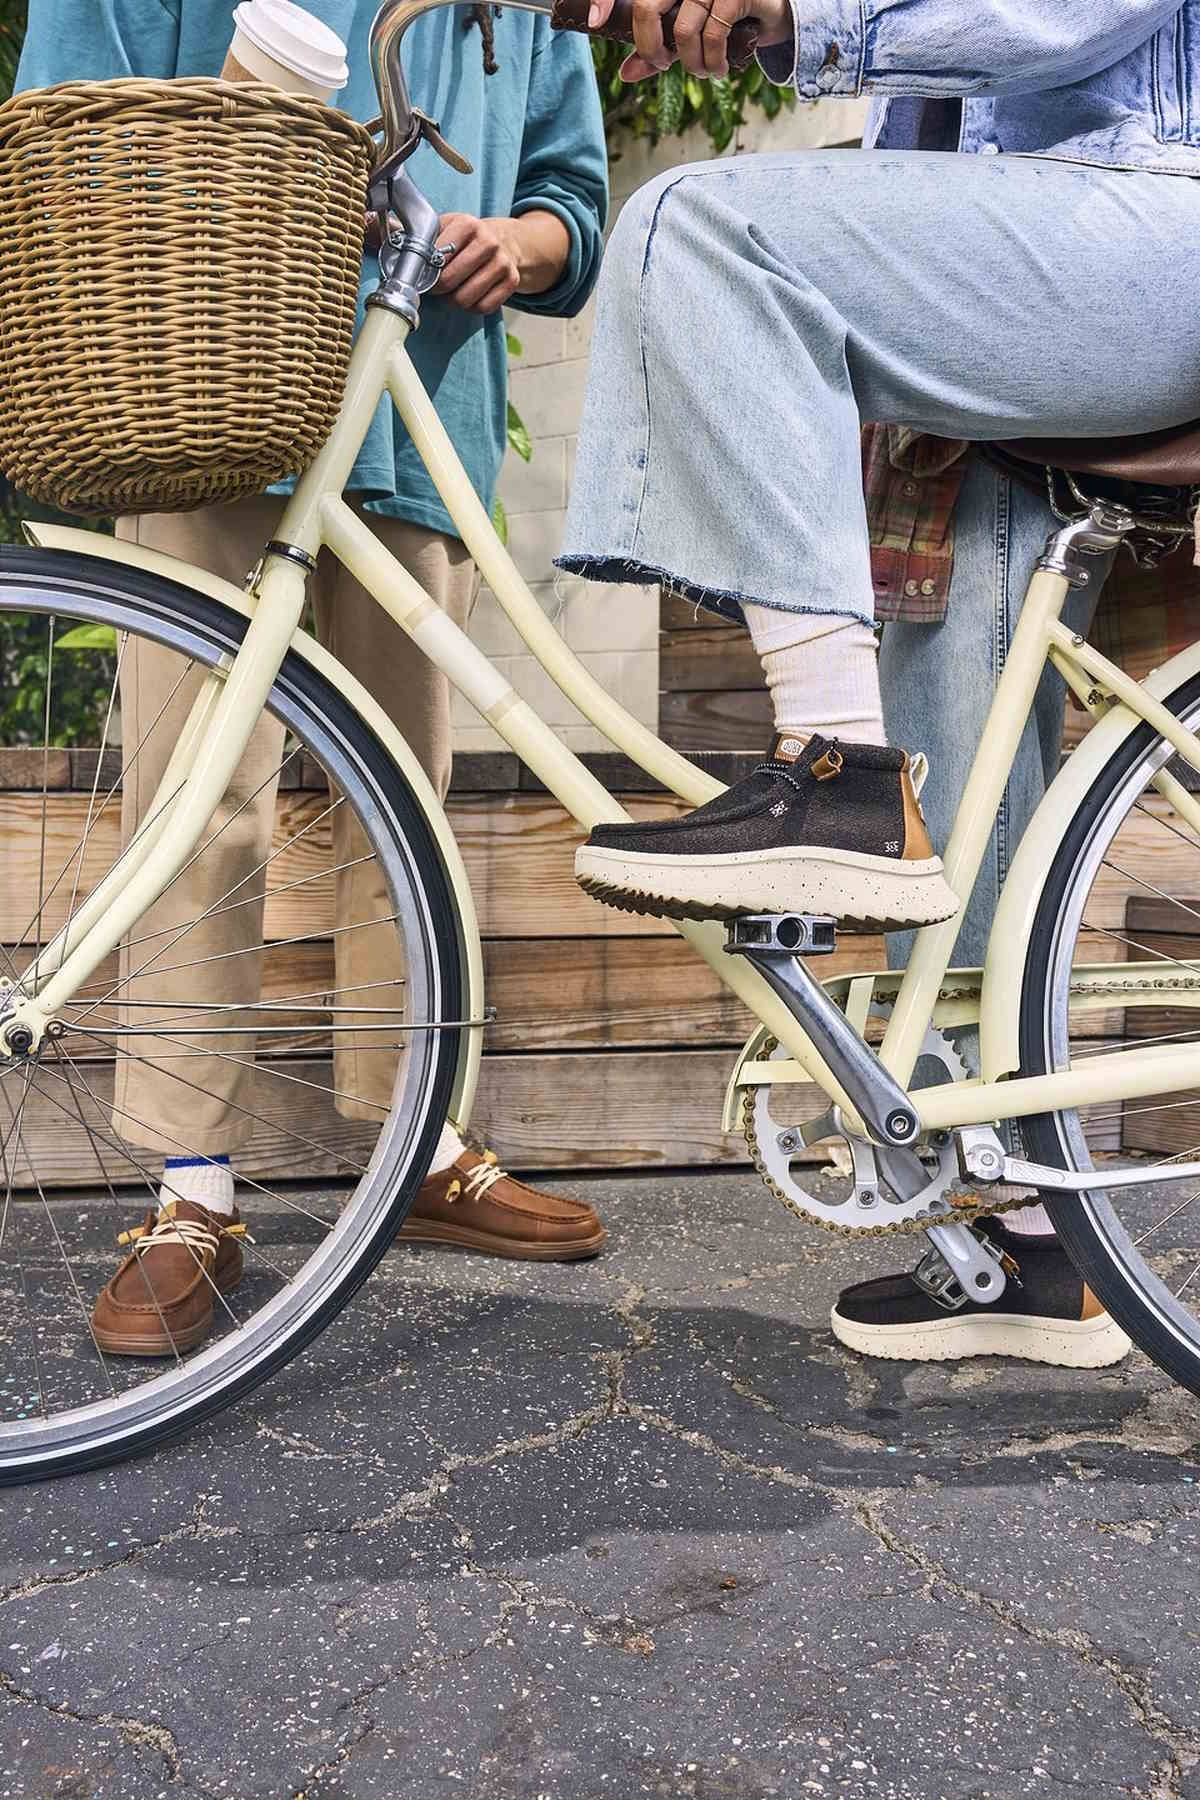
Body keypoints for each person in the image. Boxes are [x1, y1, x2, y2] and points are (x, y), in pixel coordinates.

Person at [559, 0, 1200, 1364]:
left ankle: (839, 783)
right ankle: (1034, 1237)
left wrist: (807, 18)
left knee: (702, 227)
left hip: (1158, 208)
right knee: (954, 710)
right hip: (1047, 234)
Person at [14, 0, 612, 1358]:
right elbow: (64, 137)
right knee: (190, 790)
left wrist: (517, 242)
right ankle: (190, 1194)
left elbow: (574, 199)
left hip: (416, 402)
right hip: (197, 397)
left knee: (404, 792)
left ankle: (418, 1144)